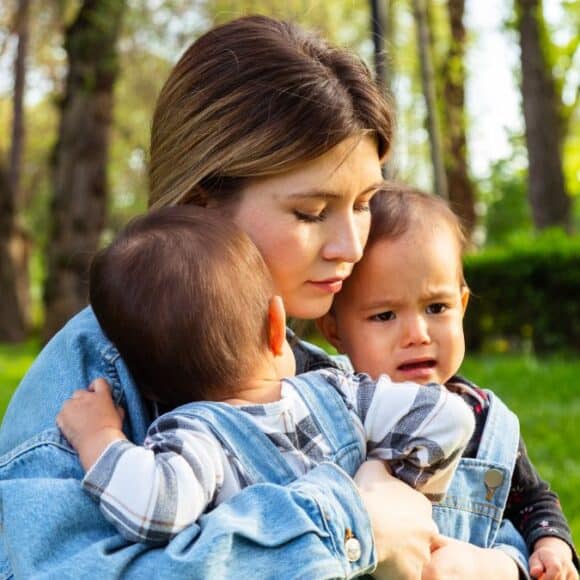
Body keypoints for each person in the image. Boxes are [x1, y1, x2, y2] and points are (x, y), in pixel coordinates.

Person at [0, 15, 439, 580]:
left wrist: (501, 563)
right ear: (199, 202)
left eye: (363, 203)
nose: (350, 245)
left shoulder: (315, 372)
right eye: (310, 213)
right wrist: (354, 525)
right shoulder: (94, 380)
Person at [56, 206, 475, 545]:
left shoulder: (197, 441)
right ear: (278, 326)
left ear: (143, 383)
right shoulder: (340, 393)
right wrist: (394, 486)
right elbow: (450, 419)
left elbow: (154, 509)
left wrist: (99, 438)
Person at [317, 183, 579, 580]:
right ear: (334, 330)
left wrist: (551, 543)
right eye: (385, 315)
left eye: (436, 307)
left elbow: (531, 499)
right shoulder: (332, 411)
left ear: (463, 305)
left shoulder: (483, 416)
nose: (418, 333)